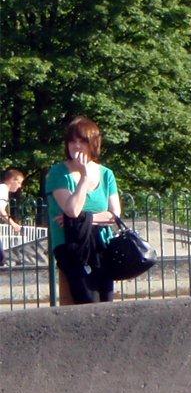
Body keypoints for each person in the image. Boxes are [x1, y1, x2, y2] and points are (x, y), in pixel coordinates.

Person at [45, 116, 121, 304]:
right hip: (71, 247)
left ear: (93, 144)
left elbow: (114, 215)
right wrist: (84, 178)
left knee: (106, 302)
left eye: (82, 141)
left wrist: (86, 218)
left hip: (101, 245)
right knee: (86, 302)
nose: (76, 146)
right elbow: (71, 210)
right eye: (72, 141)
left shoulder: (106, 174)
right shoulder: (58, 173)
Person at [0, 169, 25, 267]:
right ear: (12, 180)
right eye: (19, 182)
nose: (20, 186)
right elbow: (1, 210)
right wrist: (13, 224)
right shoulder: (3, 189)